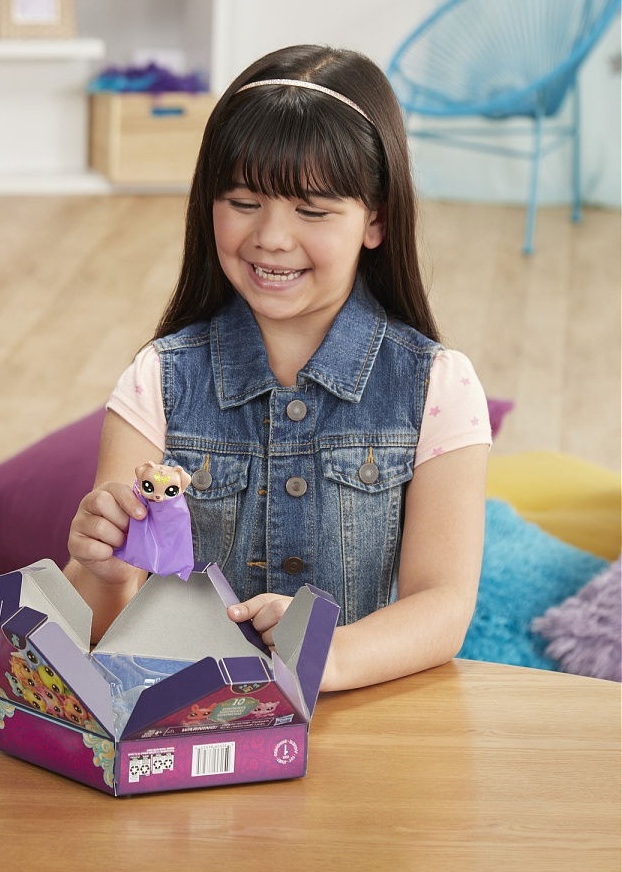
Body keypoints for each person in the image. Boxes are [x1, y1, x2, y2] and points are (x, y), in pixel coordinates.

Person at [64, 44, 491, 692]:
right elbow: (97, 623)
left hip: (360, 724)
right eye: (243, 202)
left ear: (375, 219)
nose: (271, 237)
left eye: (312, 211)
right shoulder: (158, 378)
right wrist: (107, 568)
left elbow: (443, 607)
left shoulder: (437, 385)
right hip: (185, 725)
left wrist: (328, 654)